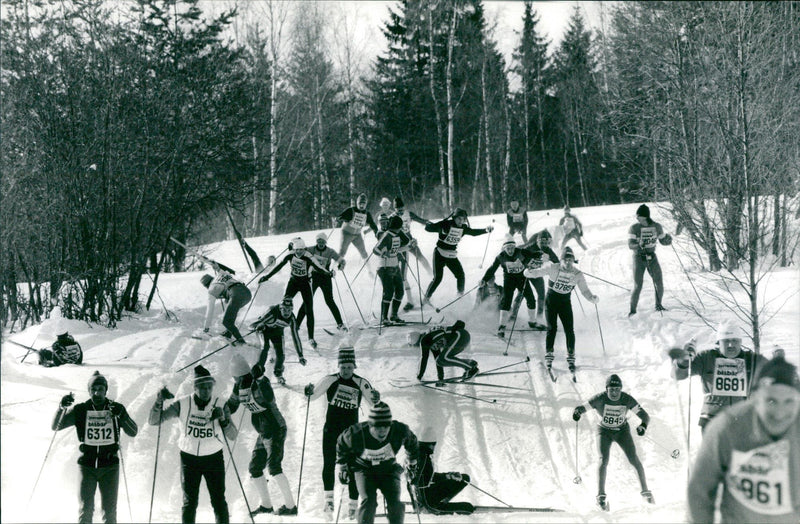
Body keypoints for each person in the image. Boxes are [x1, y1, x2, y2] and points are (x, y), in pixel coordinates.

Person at [687, 356, 800, 524]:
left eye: (789, 401)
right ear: (755, 397)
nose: (779, 413)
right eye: (771, 401)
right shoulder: (727, 427)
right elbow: (700, 491)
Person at [149, 365, 237, 524]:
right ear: (195, 387)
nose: (206, 391)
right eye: (202, 387)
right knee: (189, 503)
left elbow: (233, 435)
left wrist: (223, 419)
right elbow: (154, 421)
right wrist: (158, 401)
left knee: (218, 500)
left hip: (213, 458)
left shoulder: (220, 404)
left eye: (209, 387)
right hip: (189, 459)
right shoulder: (182, 403)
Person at [304, 339, 380, 518]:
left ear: (354, 366)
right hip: (331, 429)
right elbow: (312, 396)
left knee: (354, 466)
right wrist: (307, 391)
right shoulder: (330, 379)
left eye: (349, 367)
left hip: (351, 433)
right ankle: (328, 500)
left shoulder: (361, 382)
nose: (346, 370)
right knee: (329, 463)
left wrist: (376, 398)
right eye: (343, 367)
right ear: (338, 366)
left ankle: (353, 504)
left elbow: (374, 404)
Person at [53, 371, 138, 523]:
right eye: (93, 389)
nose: (97, 393)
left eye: (100, 389)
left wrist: (122, 416)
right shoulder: (81, 410)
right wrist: (61, 407)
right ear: (89, 391)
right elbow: (56, 426)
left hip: (110, 467)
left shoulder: (116, 408)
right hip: (87, 466)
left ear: (106, 391)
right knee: (86, 509)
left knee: (109, 511)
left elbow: (133, 431)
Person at [226, 354, 297, 517]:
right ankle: (266, 505)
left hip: (275, 428)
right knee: (255, 467)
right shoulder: (238, 387)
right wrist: (221, 412)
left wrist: (260, 377)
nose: (237, 381)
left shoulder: (259, 382)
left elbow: (269, 397)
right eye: (236, 378)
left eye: (237, 377)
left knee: (273, 466)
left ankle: (291, 506)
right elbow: (232, 405)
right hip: (263, 430)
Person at [572, 374, 653, 511]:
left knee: (634, 459)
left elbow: (645, 416)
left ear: (621, 389)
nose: (615, 393)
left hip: (622, 431)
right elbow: (581, 408)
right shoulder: (599, 398)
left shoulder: (626, 399)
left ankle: (646, 493)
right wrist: (577, 412)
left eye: (617, 389)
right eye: (611, 390)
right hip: (604, 432)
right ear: (606, 389)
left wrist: (643, 425)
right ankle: (601, 497)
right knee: (603, 460)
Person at [669, 322, 768, 433]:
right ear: (719, 342)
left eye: (734, 340)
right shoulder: (706, 357)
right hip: (712, 420)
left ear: (740, 341)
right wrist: (683, 360)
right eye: (726, 341)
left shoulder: (752, 359)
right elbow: (677, 375)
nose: (730, 345)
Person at [336, 402, 420, 524]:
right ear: (370, 425)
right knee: (369, 501)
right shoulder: (355, 434)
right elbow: (341, 445)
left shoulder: (399, 431)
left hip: (389, 469)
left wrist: (412, 463)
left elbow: (413, 443)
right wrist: (343, 467)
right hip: (364, 470)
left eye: (386, 426)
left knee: (395, 502)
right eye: (377, 427)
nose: (382, 431)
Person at [523, 246, 598, 375]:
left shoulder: (577, 274)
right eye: (566, 260)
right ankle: (549, 354)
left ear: (573, 260)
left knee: (569, 329)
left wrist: (592, 298)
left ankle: (571, 355)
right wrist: (528, 272)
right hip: (551, 301)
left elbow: (584, 290)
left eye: (571, 260)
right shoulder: (553, 267)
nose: (568, 263)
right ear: (561, 260)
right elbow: (537, 273)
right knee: (552, 328)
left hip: (565, 303)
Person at [258, 238, 331, 348]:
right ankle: (275, 328)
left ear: (304, 249)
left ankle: (311, 338)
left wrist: (329, 273)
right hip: (293, 282)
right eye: (297, 250)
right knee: (283, 305)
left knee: (309, 309)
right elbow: (278, 267)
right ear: (294, 249)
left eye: (301, 250)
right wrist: (266, 277)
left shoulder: (308, 256)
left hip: (305, 283)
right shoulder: (290, 255)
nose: (299, 252)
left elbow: (319, 268)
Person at [423, 208, 493, 304]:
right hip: (439, 254)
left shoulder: (463, 228)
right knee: (438, 278)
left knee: (460, 275)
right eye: (459, 219)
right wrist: (437, 225)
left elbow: (472, 232)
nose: (461, 221)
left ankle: (460, 296)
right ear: (454, 218)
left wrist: (485, 230)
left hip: (451, 255)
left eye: (463, 219)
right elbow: (428, 229)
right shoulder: (446, 224)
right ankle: (426, 299)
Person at [480, 235, 540, 337]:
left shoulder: (521, 251)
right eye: (508, 248)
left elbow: (534, 255)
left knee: (530, 298)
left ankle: (532, 321)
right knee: (507, 300)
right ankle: (502, 326)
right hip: (509, 279)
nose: (511, 250)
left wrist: (540, 254)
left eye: (512, 248)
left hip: (521, 278)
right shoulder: (500, 257)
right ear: (504, 248)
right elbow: (492, 269)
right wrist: (484, 279)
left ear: (515, 247)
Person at [411, 427, 474, 515]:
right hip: (428, 502)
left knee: (465, 478)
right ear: (431, 444)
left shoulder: (418, 454)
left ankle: (436, 503)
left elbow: (426, 477)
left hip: (425, 495)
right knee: (468, 508)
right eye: (434, 444)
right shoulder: (424, 458)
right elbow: (422, 481)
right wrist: (425, 505)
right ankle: (432, 508)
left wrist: (448, 476)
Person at [296, 232, 347, 333]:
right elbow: (299, 251)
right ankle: (297, 325)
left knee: (329, 301)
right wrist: (297, 242)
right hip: (314, 277)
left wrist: (340, 266)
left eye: (323, 241)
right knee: (307, 301)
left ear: (325, 241)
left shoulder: (330, 251)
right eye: (319, 241)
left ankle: (340, 324)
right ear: (316, 241)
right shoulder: (311, 249)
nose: (321, 243)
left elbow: (342, 260)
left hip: (325, 277)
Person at [248, 296, 306, 385]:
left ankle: (278, 373)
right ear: (280, 308)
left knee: (281, 353)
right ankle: (258, 373)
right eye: (284, 309)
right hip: (265, 331)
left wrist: (300, 355)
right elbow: (252, 325)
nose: (287, 313)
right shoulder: (272, 312)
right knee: (265, 348)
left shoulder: (292, 319)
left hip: (277, 333)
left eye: (289, 310)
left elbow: (296, 337)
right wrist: (258, 326)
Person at [627, 203, 672, 315]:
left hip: (652, 257)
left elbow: (662, 241)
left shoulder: (657, 226)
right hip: (638, 258)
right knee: (638, 285)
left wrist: (668, 240)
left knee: (659, 282)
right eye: (637, 217)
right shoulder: (634, 228)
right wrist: (639, 244)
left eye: (640, 217)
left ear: (646, 216)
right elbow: (630, 245)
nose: (638, 219)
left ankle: (659, 305)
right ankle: (632, 310)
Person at [391, 197, 432, 311]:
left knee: (421, 257)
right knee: (402, 270)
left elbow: (420, 219)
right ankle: (408, 299)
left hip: (409, 240)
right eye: (396, 208)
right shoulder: (392, 217)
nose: (399, 210)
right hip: (399, 244)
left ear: (403, 207)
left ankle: (431, 274)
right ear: (394, 208)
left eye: (400, 208)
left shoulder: (408, 214)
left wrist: (426, 222)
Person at [373, 215, 415, 324]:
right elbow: (376, 249)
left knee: (400, 292)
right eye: (400, 227)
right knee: (389, 292)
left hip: (395, 266)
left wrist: (410, 246)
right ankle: (384, 318)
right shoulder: (387, 235)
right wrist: (383, 253)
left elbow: (400, 247)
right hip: (384, 267)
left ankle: (394, 315)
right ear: (398, 226)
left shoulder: (396, 234)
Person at [407, 320, 478, 384]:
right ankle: (469, 363)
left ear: (417, 341)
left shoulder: (424, 339)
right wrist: (440, 379)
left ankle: (470, 368)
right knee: (440, 360)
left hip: (459, 335)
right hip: (462, 336)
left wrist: (419, 377)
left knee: (444, 357)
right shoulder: (430, 338)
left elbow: (424, 358)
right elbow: (438, 361)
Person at [200, 262, 252, 346]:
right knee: (229, 308)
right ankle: (228, 333)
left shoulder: (211, 289)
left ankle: (241, 341)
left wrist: (206, 329)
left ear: (206, 286)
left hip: (236, 295)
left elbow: (210, 311)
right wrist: (215, 266)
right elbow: (219, 269)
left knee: (226, 321)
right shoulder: (221, 274)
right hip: (247, 294)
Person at [521, 229, 560, 326]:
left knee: (541, 295)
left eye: (547, 243)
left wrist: (563, 267)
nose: (544, 245)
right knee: (521, 294)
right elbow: (519, 255)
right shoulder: (530, 247)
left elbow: (556, 261)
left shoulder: (547, 249)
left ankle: (539, 318)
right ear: (537, 241)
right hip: (525, 273)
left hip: (536, 273)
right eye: (542, 242)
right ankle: (512, 316)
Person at [335, 193, 379, 259]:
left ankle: (369, 269)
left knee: (364, 253)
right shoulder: (351, 210)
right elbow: (340, 217)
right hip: (346, 233)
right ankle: (334, 268)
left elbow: (372, 224)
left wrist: (377, 234)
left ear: (366, 204)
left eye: (363, 204)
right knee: (342, 252)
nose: (361, 206)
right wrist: (339, 219)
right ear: (357, 203)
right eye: (360, 203)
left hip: (357, 235)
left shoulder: (367, 213)